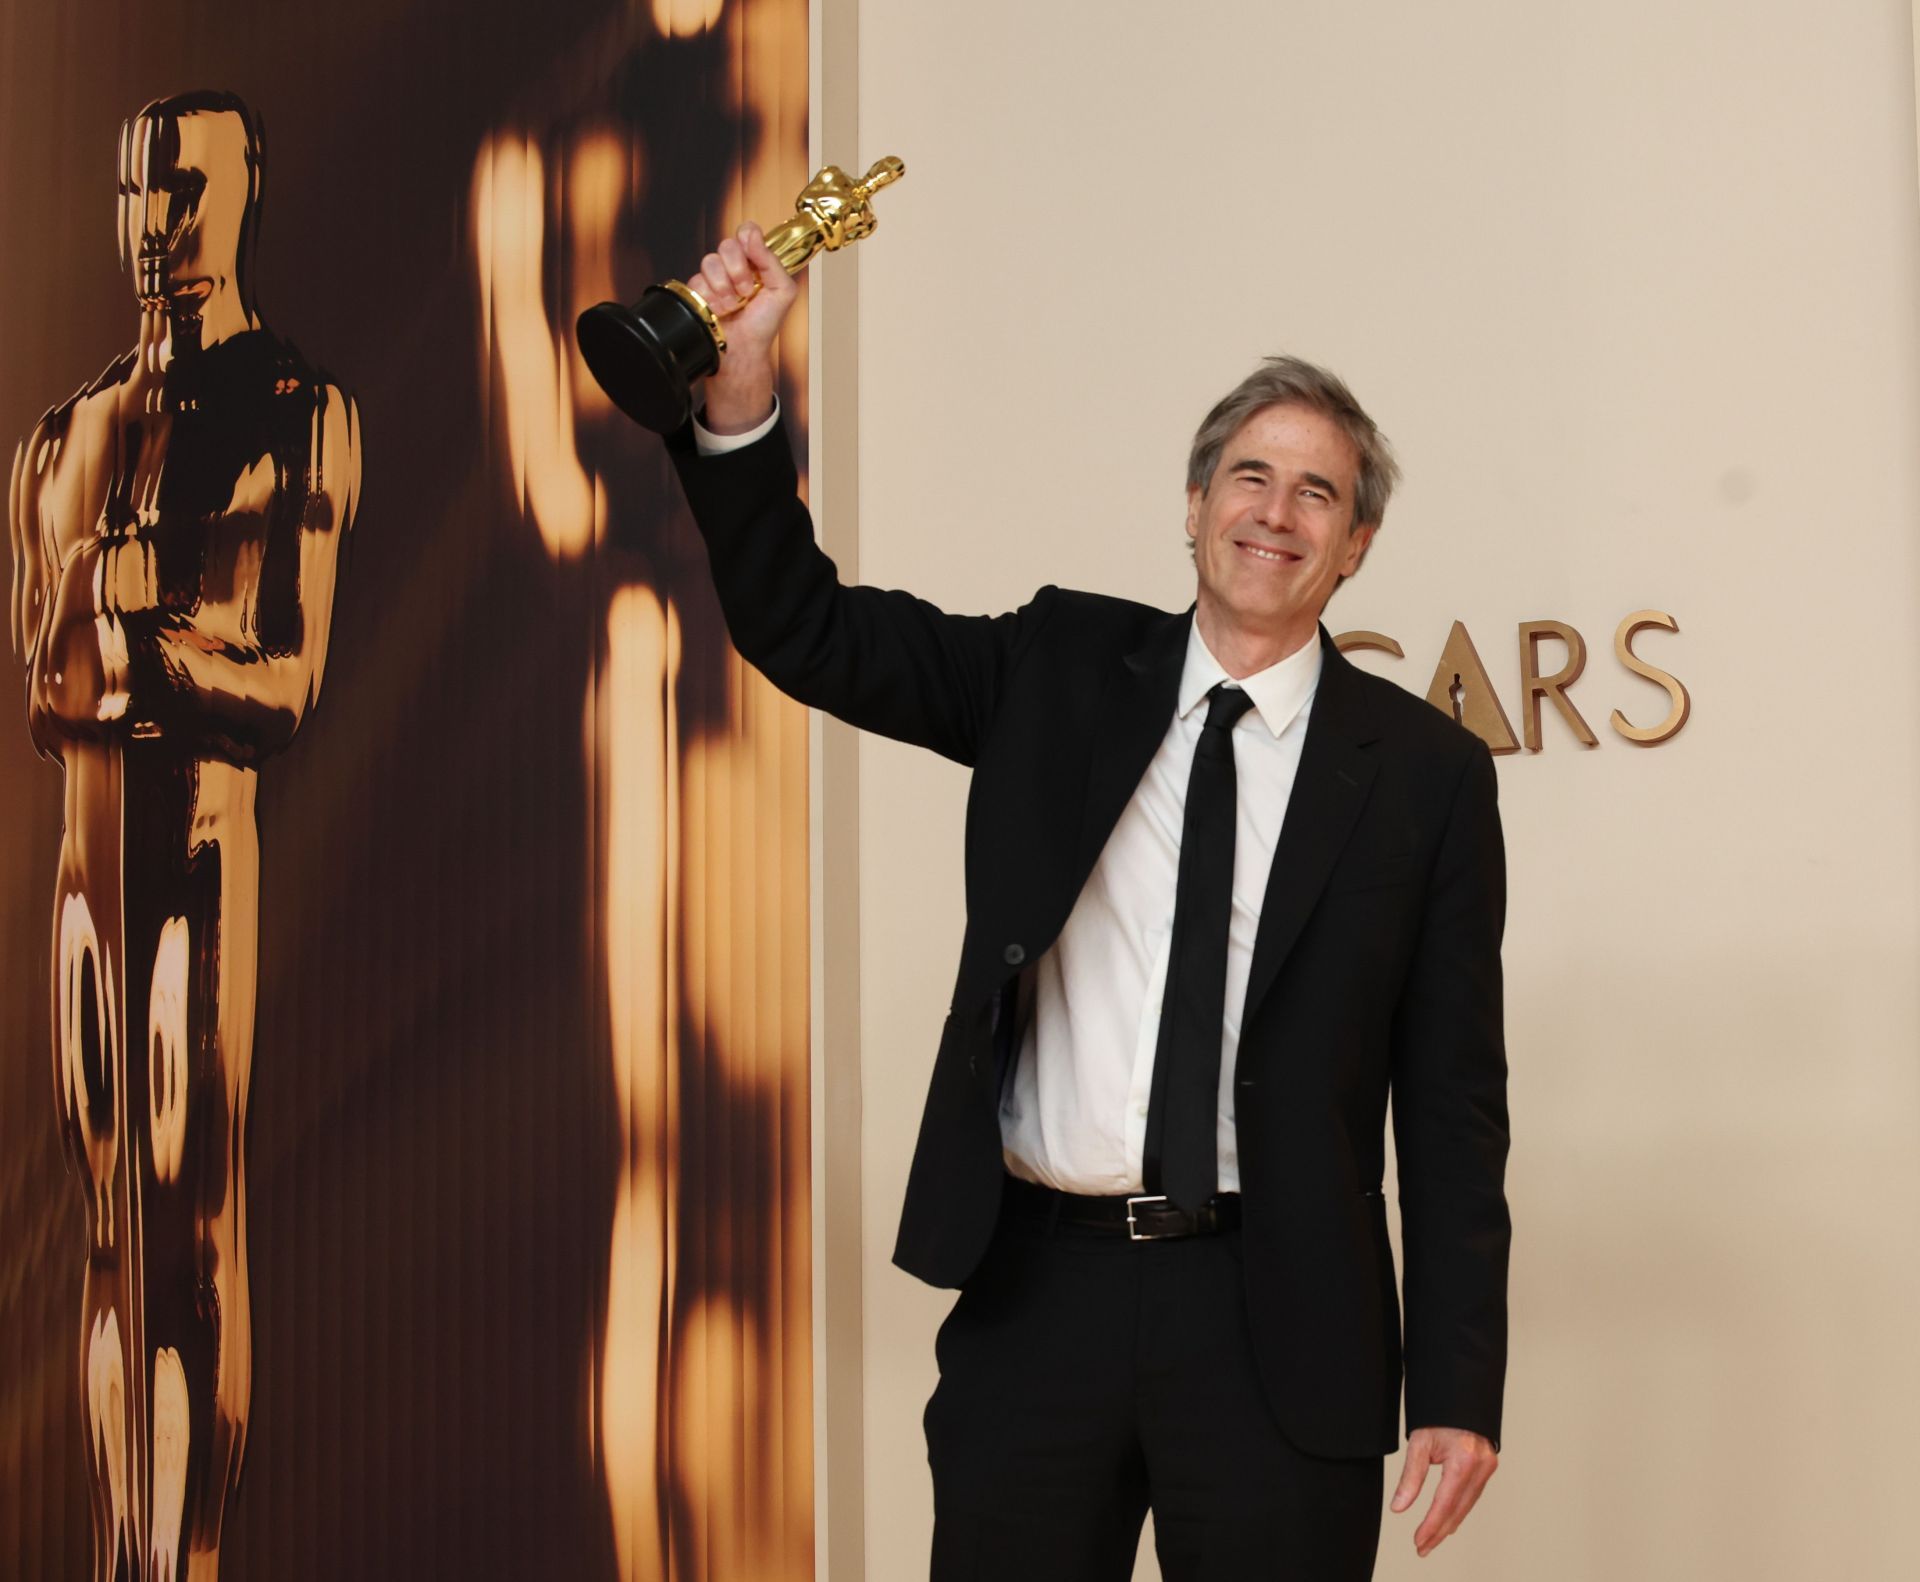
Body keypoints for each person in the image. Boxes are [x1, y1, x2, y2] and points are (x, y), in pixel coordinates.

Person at [663, 223, 1509, 1581]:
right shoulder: (1056, 665)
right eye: (1249, 476)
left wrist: (1460, 1379)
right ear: (1192, 504)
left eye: (1315, 495)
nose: (1273, 514)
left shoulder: (1424, 778)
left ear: (1355, 545)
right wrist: (742, 392)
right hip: (1038, 1295)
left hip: (1281, 1313)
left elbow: (1457, 1104)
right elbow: (802, 625)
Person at [10, 91, 359, 1579]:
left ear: (241, 199)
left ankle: (184, 1558)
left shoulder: (294, 407)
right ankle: (121, 1555)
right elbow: (39, 673)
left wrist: (133, 640)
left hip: (202, 853)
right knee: (108, 1222)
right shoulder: (58, 436)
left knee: (186, 1218)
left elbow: (277, 680)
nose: (159, 226)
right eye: (140, 195)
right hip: (87, 868)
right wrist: (120, 635)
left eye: (188, 191)